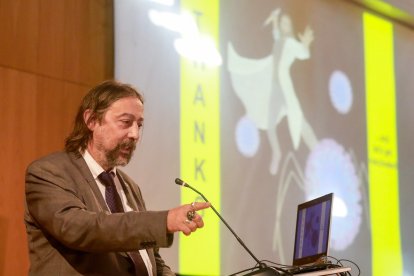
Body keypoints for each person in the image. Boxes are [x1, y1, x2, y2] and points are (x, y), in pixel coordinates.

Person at [24, 80, 210, 275]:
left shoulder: (129, 186)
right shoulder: (49, 172)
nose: (135, 134)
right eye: (126, 122)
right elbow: (82, 229)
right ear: (92, 120)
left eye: (139, 125)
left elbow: (149, 258)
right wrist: (163, 221)